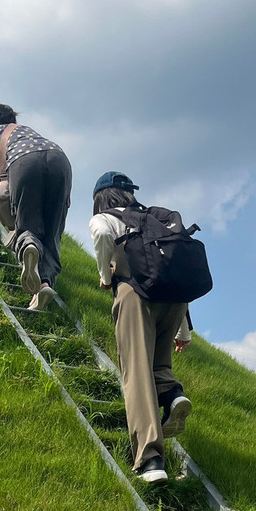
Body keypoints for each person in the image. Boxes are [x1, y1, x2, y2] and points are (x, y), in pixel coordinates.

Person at [89, 171, 193, 484]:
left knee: (135, 373)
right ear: (129, 193)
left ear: (101, 198)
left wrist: (106, 279)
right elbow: (176, 267)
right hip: (173, 300)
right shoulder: (154, 219)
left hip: (134, 294)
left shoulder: (104, 219)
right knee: (158, 364)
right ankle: (173, 394)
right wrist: (184, 331)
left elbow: (102, 238)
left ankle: (150, 461)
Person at [0, 104, 72, 311]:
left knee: (26, 221)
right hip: (60, 160)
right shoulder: (27, 132)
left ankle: (28, 244)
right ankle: (44, 286)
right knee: (52, 231)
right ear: (13, 121)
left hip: (25, 162)